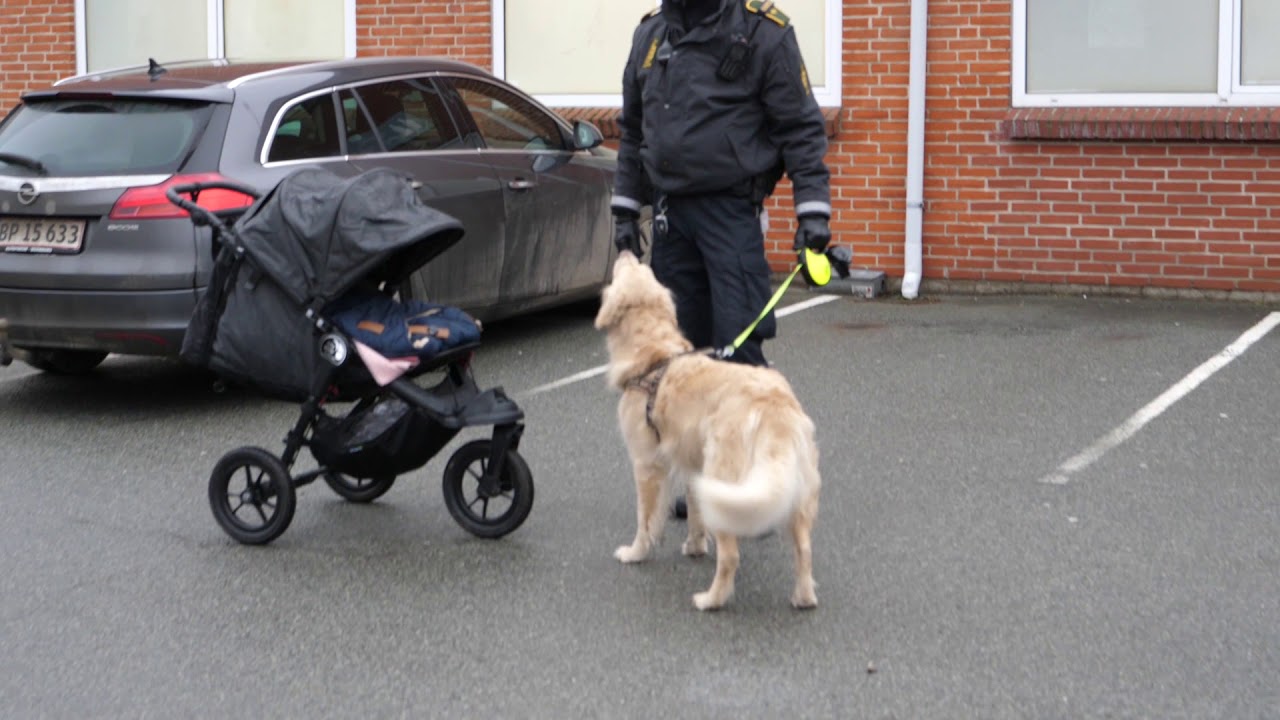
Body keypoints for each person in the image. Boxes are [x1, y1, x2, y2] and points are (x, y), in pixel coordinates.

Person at [611, 0, 833, 518]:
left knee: (739, 350)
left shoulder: (763, 33)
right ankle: (704, 476)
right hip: (671, 220)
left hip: (731, 216)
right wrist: (625, 212)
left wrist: (813, 217)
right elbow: (633, 133)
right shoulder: (650, 36)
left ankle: (759, 479)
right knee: (682, 359)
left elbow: (801, 129)